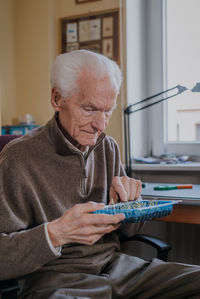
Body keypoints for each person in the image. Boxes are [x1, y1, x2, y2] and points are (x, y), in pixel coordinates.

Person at [0, 50, 200, 299]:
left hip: (120, 269)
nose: (101, 124)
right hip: (57, 280)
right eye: (90, 109)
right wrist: (56, 232)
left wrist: (130, 205)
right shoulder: (17, 158)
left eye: (108, 111)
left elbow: (128, 233)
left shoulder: (108, 147)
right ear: (57, 98)